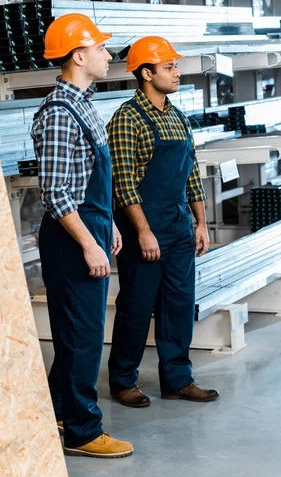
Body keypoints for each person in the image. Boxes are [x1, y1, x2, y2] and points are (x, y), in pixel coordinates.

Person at [31, 14, 133, 459]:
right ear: (79, 55)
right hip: (70, 242)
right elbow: (55, 192)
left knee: (81, 333)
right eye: (101, 49)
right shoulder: (58, 113)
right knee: (83, 336)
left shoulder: (84, 103)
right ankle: (82, 432)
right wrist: (88, 242)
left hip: (88, 228)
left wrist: (105, 222)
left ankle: (58, 410)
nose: (108, 55)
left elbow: (86, 177)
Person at [107, 36, 219, 408]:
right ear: (145, 73)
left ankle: (178, 379)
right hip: (144, 225)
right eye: (169, 67)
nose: (177, 72)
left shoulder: (177, 115)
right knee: (137, 305)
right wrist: (142, 231)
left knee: (179, 305)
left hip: (178, 223)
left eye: (175, 66)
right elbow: (122, 181)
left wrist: (201, 222)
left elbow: (191, 173)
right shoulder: (127, 118)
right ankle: (123, 380)